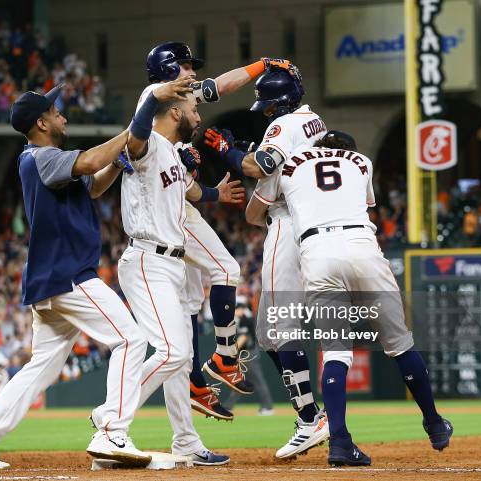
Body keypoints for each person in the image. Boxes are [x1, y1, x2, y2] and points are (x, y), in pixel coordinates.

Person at [0, 84, 152, 470]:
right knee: (131, 338)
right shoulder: (40, 156)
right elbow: (91, 163)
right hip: (69, 274)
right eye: (56, 111)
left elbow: (93, 185)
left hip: (50, 278)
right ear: (41, 122)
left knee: (41, 366)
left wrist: (116, 162)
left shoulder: (48, 160)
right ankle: (112, 431)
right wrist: (133, 130)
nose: (63, 115)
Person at [276, 130, 454, 466]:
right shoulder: (361, 162)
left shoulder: (291, 166)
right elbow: (363, 201)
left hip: (316, 253)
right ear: (349, 150)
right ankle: (434, 424)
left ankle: (340, 442)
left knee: (335, 354)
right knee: (401, 344)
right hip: (361, 246)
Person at [140, 42, 293, 420]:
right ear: (168, 68)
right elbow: (216, 89)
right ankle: (224, 357)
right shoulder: (155, 95)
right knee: (226, 270)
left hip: (174, 206)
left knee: (192, 303)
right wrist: (262, 65)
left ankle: (195, 382)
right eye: (186, 66)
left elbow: (213, 90)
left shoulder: (169, 104)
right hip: (162, 216)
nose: (193, 74)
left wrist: (211, 191)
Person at [204, 66, 332, 459]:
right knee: (267, 333)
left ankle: (312, 418)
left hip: (288, 223)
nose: (266, 114)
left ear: (282, 102)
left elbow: (258, 172)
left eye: (269, 106)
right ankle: (310, 415)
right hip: (316, 220)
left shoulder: (285, 126)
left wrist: (229, 151)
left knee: (278, 328)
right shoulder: (314, 121)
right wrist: (248, 152)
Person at [111, 76, 239, 466]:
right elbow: (136, 133)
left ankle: (185, 441)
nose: (198, 115)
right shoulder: (146, 143)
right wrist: (155, 92)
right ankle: (111, 417)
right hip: (148, 258)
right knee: (172, 352)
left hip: (172, 262)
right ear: (173, 111)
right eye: (193, 108)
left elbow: (189, 194)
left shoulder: (174, 153)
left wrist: (210, 189)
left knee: (180, 359)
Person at [222, 297, 274, 416]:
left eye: (237, 309)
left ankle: (268, 406)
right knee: (240, 381)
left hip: (249, 354)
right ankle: (229, 405)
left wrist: (232, 351)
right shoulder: (243, 319)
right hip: (245, 354)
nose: (236, 312)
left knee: (257, 380)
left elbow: (243, 337)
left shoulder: (245, 318)